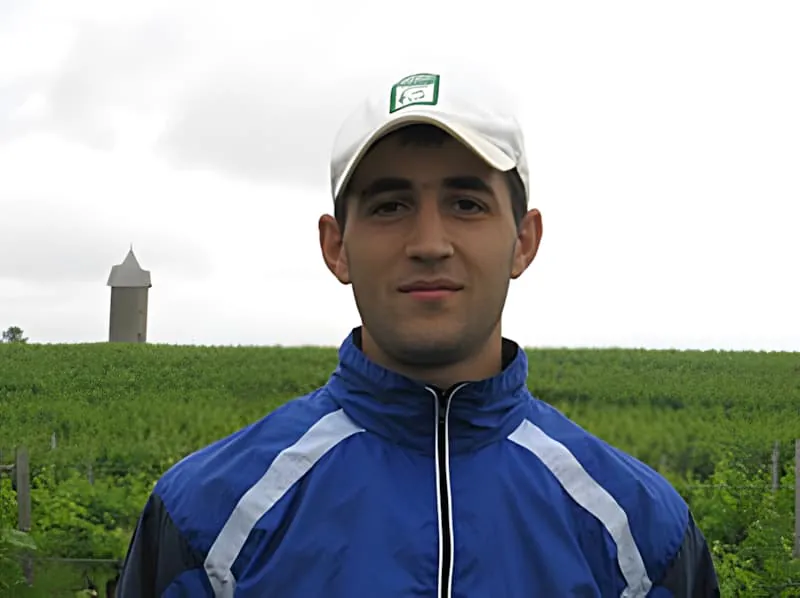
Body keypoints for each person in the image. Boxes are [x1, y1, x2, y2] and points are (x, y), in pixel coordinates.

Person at [116, 69, 721, 597]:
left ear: (524, 241)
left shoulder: (641, 530)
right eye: (389, 206)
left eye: (466, 204)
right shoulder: (205, 515)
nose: (430, 244)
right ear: (336, 247)